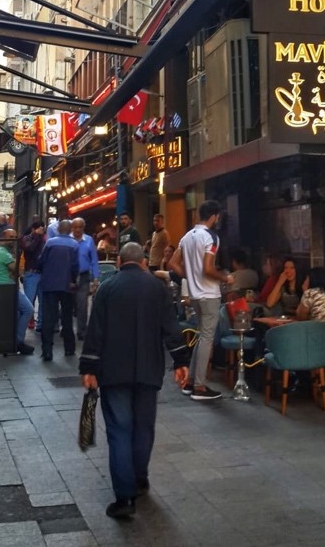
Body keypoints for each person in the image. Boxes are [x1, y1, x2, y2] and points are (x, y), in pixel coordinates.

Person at [79, 243, 189, 520]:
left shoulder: (107, 288)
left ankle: (125, 497)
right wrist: (181, 361)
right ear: (142, 262)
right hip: (149, 370)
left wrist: (89, 366)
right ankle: (140, 478)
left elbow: (96, 331)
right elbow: (171, 327)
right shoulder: (157, 288)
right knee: (144, 427)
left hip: (114, 371)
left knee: (119, 430)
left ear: (118, 261)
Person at [173, 200, 234, 400]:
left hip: (194, 295)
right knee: (207, 338)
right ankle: (199, 386)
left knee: (202, 336)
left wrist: (189, 277)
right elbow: (208, 268)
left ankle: (190, 382)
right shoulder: (211, 237)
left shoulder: (187, 236)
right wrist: (226, 278)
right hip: (209, 294)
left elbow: (172, 263)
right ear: (214, 216)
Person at [37, 218, 78, 361]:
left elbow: (41, 261)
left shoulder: (50, 243)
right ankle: (69, 348)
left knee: (48, 318)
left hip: (49, 284)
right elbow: (75, 266)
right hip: (67, 285)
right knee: (67, 318)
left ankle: (47, 350)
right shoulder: (74, 245)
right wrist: (73, 280)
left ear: (58, 229)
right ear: (70, 230)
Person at [0, 228, 34, 355]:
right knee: (28, 309)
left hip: (4, 287)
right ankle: (18, 341)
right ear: (4, 238)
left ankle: (15, 340)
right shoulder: (4, 253)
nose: (13, 240)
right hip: (6, 288)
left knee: (16, 314)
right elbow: (18, 271)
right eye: (11, 237)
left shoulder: (2, 252)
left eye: (15, 236)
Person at [71, 217, 99, 340]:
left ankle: (81, 331)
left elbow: (94, 260)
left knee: (82, 305)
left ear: (83, 227)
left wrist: (96, 278)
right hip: (69, 276)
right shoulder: (68, 239)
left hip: (83, 276)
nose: (77, 229)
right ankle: (66, 329)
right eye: (75, 227)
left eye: (80, 227)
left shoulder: (89, 240)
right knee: (67, 304)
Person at [21, 220, 46, 333]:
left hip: (43, 273)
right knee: (29, 301)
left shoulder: (44, 240)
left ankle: (40, 324)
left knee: (43, 300)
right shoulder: (27, 239)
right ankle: (27, 322)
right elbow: (29, 249)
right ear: (33, 229)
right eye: (40, 228)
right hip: (31, 273)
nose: (42, 230)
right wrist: (36, 236)